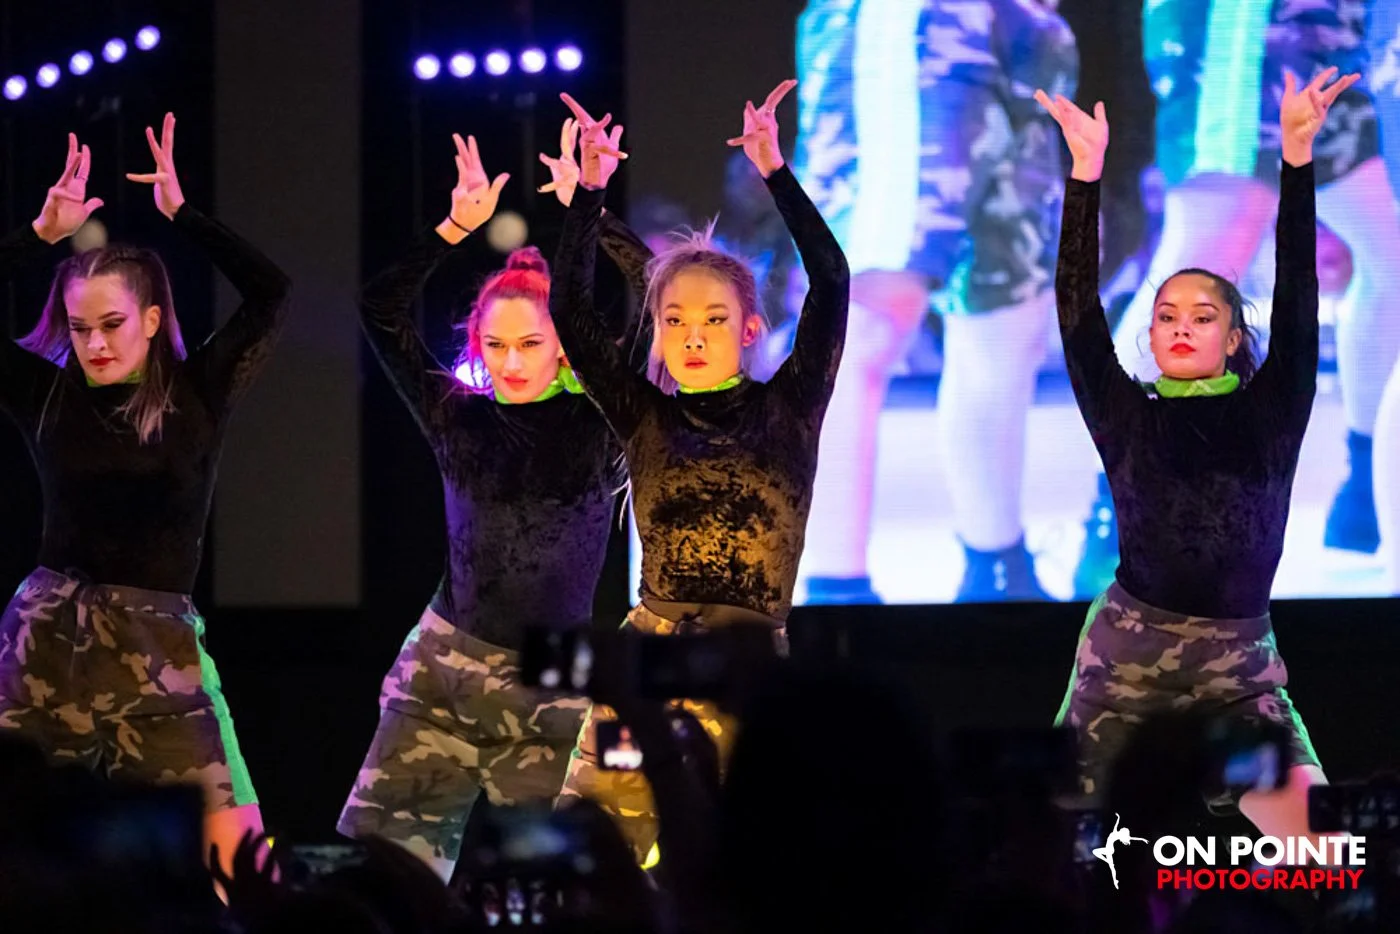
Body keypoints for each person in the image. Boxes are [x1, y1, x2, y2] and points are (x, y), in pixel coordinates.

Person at [1040, 68, 1355, 842]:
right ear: (1148, 338)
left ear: (1234, 338)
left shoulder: (1273, 412)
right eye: (1165, 315)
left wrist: (1296, 158)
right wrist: (1085, 177)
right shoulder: (1126, 416)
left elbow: (1301, 292)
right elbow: (1078, 316)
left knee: (1324, 851)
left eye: (1203, 314)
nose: (1180, 326)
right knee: (1046, 848)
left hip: (1238, 677)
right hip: (1123, 671)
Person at [547, 82, 850, 863]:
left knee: (753, 866)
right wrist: (587, 198)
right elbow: (575, 321)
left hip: (748, 661)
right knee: (586, 853)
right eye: (674, 320)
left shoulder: (789, 406)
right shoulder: (646, 414)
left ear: (749, 328)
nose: (691, 335)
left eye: (714, 319)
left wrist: (776, 173)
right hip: (649, 652)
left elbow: (833, 282)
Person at [336, 133, 631, 882]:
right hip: (446, 661)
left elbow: (662, 302)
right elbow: (378, 309)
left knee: (574, 881)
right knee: (388, 880)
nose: (509, 360)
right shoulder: (457, 415)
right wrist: (454, 228)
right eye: (494, 344)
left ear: (564, 347)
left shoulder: (600, 423)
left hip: (557, 671)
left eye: (529, 343)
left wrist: (588, 210)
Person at [0, 115, 290, 876]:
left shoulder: (199, 393)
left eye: (113, 324)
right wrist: (38, 234)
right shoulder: (49, 396)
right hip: (47, 640)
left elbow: (270, 293)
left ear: (153, 319)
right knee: (28, 849)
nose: (95, 344)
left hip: (160, 647)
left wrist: (183, 214)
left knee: (236, 854)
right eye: (80, 328)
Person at [1077, 0, 1400, 595]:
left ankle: (1364, 488)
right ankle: (1122, 507)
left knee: (1391, 258)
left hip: (1337, 27)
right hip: (1248, 20)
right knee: (1209, 247)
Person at [792, 0, 1078, 604]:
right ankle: (835, 593)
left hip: (1023, 28)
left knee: (1003, 326)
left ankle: (996, 564)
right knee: (868, 319)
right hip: (919, 24)